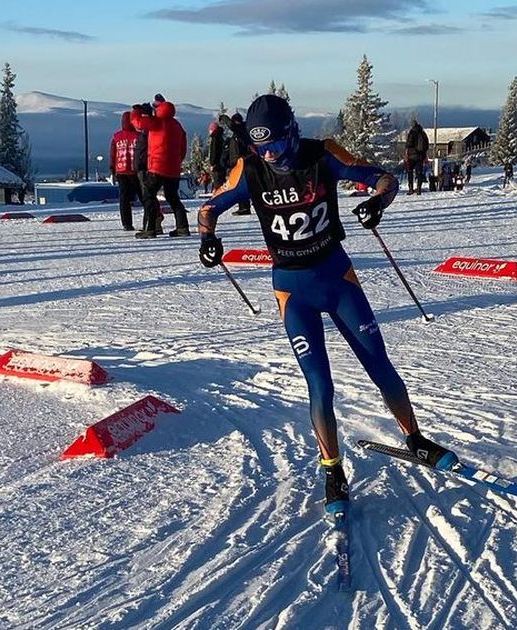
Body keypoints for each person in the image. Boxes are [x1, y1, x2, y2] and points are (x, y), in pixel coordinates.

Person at [195, 95, 458, 515]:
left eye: (275, 144)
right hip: (292, 291)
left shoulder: (323, 153)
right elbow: (209, 207)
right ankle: (332, 472)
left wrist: (376, 202)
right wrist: (208, 238)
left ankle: (416, 439)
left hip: (337, 279)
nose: (269, 154)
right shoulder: (250, 167)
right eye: (261, 146)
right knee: (320, 384)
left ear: (291, 132)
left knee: (379, 365)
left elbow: (384, 179)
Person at [130, 95, 189, 238]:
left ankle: (150, 228)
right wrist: (177, 161)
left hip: (157, 166)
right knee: (173, 197)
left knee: (149, 196)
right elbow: (183, 147)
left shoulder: (156, 122)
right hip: (173, 168)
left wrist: (136, 112)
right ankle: (182, 227)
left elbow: (138, 123)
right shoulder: (177, 125)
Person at [110, 111, 141, 230]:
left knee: (124, 198)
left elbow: (113, 154)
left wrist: (112, 168)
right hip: (135, 170)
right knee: (143, 195)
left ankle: (127, 224)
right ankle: (150, 220)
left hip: (121, 170)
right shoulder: (138, 136)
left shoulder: (116, 136)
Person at [132, 104, 159, 236]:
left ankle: (150, 225)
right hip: (146, 164)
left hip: (145, 166)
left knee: (148, 196)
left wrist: (135, 112)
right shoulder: (148, 128)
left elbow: (143, 150)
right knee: (149, 196)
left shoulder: (147, 127)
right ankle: (152, 223)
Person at [222, 113, 252, 215]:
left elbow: (231, 125)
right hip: (238, 162)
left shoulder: (240, 130)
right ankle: (243, 206)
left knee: (240, 185)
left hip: (240, 162)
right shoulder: (239, 133)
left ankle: (244, 207)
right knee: (240, 184)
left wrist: (224, 117)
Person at [404, 119, 429, 195]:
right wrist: (424, 154)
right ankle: (419, 189)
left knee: (410, 172)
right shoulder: (423, 133)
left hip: (411, 156)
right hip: (420, 156)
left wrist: (407, 152)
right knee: (419, 173)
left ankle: (411, 189)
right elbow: (426, 145)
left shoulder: (412, 132)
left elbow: (409, 144)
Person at [208, 120, 227, 192]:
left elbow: (214, 151)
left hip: (217, 165)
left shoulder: (215, 138)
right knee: (221, 182)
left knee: (218, 183)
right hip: (222, 164)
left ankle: (219, 195)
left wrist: (212, 163)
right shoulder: (221, 137)